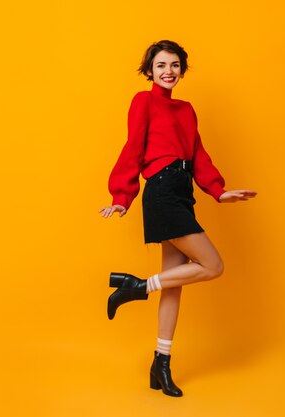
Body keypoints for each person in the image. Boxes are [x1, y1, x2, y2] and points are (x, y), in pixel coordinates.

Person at [98, 40, 257, 397]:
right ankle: (136, 286)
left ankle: (161, 364)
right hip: (163, 191)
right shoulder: (143, 102)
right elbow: (132, 146)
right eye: (160, 66)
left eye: (174, 65)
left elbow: (199, 154)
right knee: (213, 265)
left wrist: (218, 190)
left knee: (174, 282)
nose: (168, 71)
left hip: (182, 190)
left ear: (181, 71)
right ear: (149, 71)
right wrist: (122, 196)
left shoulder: (186, 110)